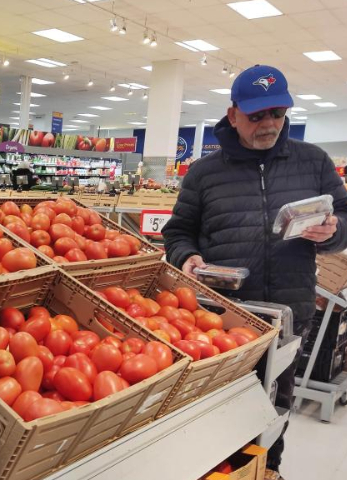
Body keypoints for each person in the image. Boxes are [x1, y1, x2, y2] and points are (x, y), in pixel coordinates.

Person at [163, 65, 347, 480]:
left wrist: (332, 233)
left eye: (277, 114)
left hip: (287, 313)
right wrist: (186, 257)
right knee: (215, 407)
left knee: (274, 407)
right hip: (220, 317)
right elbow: (178, 233)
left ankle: (268, 470)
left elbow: (344, 218)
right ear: (233, 115)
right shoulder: (203, 173)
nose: (269, 124)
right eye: (256, 115)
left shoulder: (314, 162)